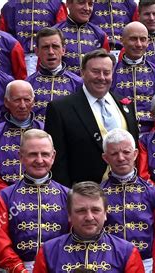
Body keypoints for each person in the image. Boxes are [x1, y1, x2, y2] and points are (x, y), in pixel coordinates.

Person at [45, 49, 139, 188]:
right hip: (84, 196)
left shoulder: (126, 104)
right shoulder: (60, 109)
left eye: (106, 72)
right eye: (95, 71)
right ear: (82, 73)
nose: (101, 77)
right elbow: (58, 162)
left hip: (125, 193)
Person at [0, 129, 69, 272]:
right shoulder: (4, 196)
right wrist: (19, 269)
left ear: (53, 156)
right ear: (21, 156)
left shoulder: (68, 195)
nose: (39, 160)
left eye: (45, 154)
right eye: (33, 154)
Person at [101, 128, 155, 272]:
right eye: (114, 153)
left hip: (146, 263)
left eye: (126, 152)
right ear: (105, 158)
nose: (121, 158)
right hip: (108, 262)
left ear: (135, 154)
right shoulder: (98, 194)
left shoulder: (154, 192)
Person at [33, 181, 145, 273]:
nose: (89, 217)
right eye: (81, 211)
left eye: (96, 210)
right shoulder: (48, 251)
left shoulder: (126, 251)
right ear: (69, 215)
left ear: (105, 213)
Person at [0, 80, 43, 201]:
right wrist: (6, 197)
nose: (22, 105)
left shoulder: (45, 130)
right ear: (6, 102)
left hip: (41, 197)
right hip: (4, 200)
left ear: (33, 102)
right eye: (17, 100)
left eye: (27, 100)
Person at [111, 21, 155, 133]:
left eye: (143, 39)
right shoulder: (111, 72)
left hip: (151, 135)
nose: (138, 44)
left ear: (148, 42)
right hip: (119, 134)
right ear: (122, 40)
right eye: (133, 39)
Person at [26, 27, 83, 122]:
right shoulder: (28, 84)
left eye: (55, 46)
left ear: (63, 50)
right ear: (37, 52)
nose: (51, 52)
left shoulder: (78, 83)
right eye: (45, 47)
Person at [0, 0, 67, 76]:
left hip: (46, 57)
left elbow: (62, 33)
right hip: (18, 60)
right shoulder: (10, 6)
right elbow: (2, 38)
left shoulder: (55, 4)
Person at [54, 0, 109, 76]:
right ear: (68, 3)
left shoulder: (100, 34)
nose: (87, 8)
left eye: (90, 4)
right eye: (81, 3)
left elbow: (107, 67)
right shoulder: (54, 33)